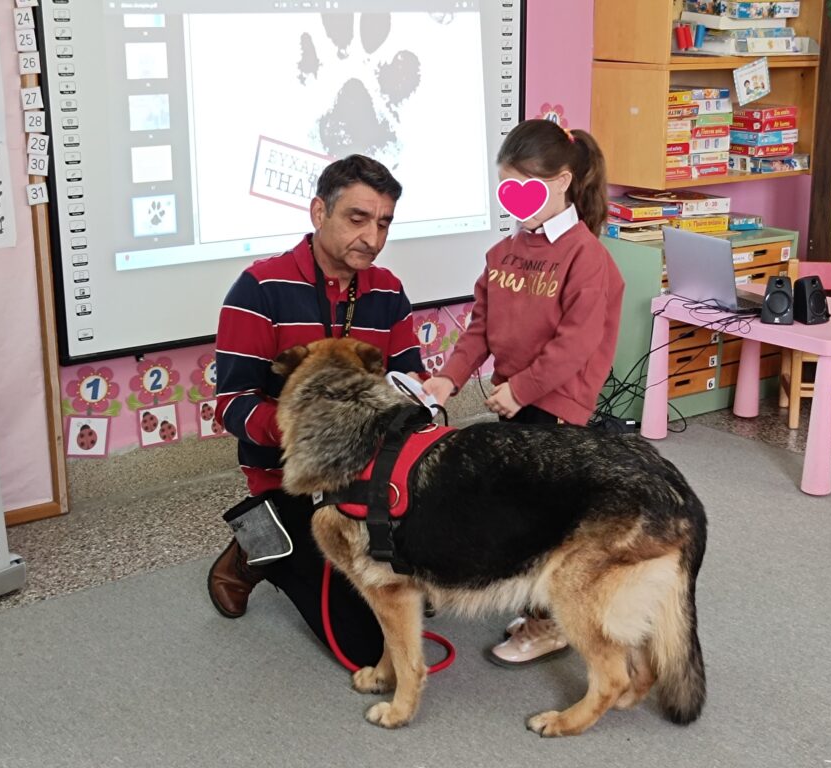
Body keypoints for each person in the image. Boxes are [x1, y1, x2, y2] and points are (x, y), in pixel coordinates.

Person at [422, 119, 625, 667]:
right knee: (516, 509)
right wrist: (449, 378)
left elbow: (576, 344)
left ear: (562, 182)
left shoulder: (587, 258)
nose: (514, 200)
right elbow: (480, 329)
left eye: (526, 188)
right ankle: (541, 610)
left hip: (556, 407)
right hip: (515, 401)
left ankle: (550, 624)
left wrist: (522, 389)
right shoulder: (504, 253)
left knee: (545, 522)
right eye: (507, 188)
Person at [208, 154, 424, 668]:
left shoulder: (388, 290)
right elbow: (231, 406)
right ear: (318, 212)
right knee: (366, 648)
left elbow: (409, 380)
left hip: (369, 477)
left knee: (418, 598)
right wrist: (311, 431)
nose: (372, 238)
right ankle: (257, 544)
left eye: (384, 223)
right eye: (357, 218)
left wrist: (419, 399)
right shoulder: (259, 288)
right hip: (291, 480)